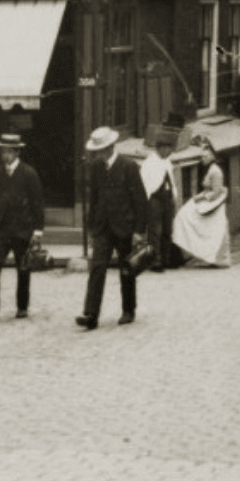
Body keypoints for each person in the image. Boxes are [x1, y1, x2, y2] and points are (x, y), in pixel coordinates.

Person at [77, 126, 149, 331]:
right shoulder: (96, 168)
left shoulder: (129, 166)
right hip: (102, 228)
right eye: (95, 151)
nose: (96, 154)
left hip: (125, 227)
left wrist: (138, 231)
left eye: (99, 150)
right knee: (97, 268)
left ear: (110, 148)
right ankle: (91, 314)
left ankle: (128, 309)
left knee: (127, 269)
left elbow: (140, 201)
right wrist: (92, 228)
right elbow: (94, 199)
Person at [0, 133, 45, 324]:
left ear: (17, 152)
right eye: (2, 151)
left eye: (8, 151)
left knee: (23, 269)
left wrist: (38, 230)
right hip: (1, 230)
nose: (5, 155)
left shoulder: (28, 173)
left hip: (22, 229)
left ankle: (22, 306)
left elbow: (37, 203)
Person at [172, 140, 232, 267]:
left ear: (212, 157)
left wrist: (200, 198)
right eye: (202, 156)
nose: (202, 159)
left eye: (205, 156)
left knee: (213, 232)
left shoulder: (215, 171)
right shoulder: (211, 169)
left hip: (213, 206)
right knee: (188, 218)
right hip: (208, 201)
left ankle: (217, 258)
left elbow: (215, 193)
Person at [140, 134, 177, 272]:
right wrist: (147, 200)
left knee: (167, 230)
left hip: (167, 198)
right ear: (160, 148)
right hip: (155, 199)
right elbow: (144, 183)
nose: (169, 151)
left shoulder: (168, 161)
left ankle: (166, 259)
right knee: (155, 231)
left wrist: (174, 197)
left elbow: (172, 181)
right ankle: (156, 261)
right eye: (167, 148)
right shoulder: (149, 163)